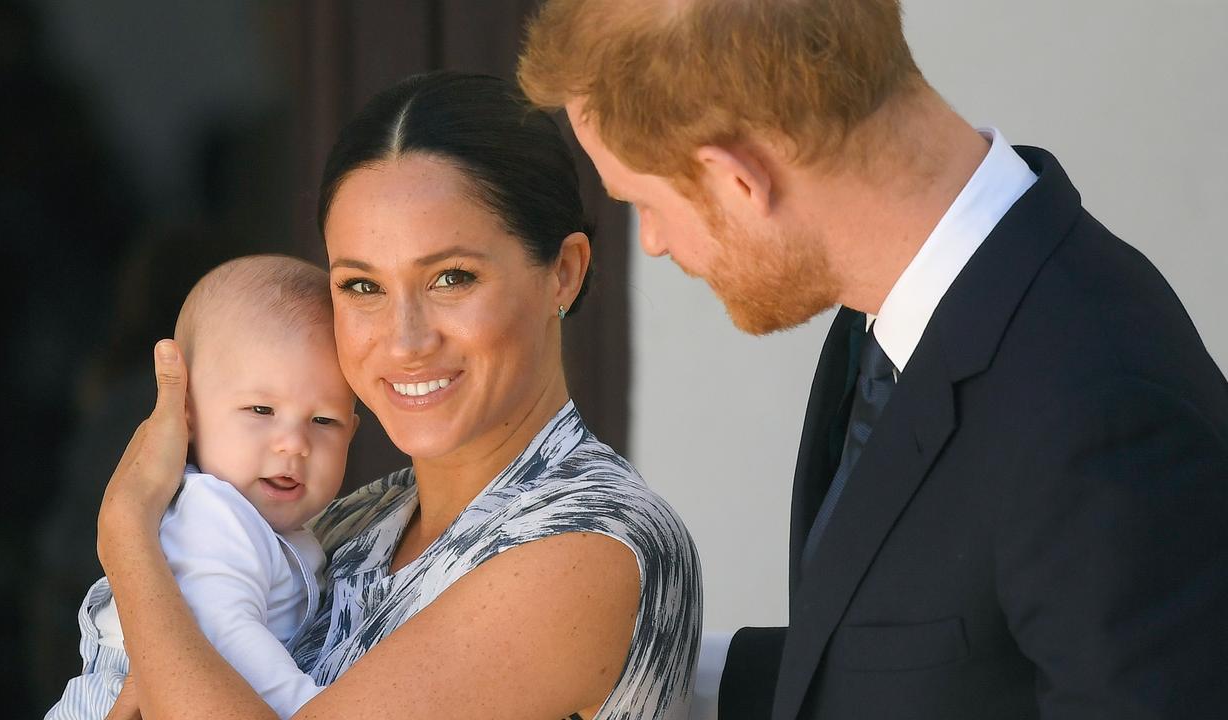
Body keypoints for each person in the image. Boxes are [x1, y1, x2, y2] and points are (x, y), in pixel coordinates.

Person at [518, 1, 1228, 718]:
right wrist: (624, 667)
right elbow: (924, 664)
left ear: (738, 179)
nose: (655, 243)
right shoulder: (899, 308)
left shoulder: (1101, 415)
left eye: (645, 202)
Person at [94, 71, 702, 720]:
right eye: (362, 286)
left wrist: (127, 532)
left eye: (450, 277)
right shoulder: (350, 525)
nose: (405, 340)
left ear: (564, 273)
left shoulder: (590, 544)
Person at [46, 255, 360, 719]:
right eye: (260, 410)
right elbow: (226, 636)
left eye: (323, 421)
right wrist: (312, 708)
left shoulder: (281, 526)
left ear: (352, 431)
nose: (294, 443)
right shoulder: (213, 514)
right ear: (187, 417)